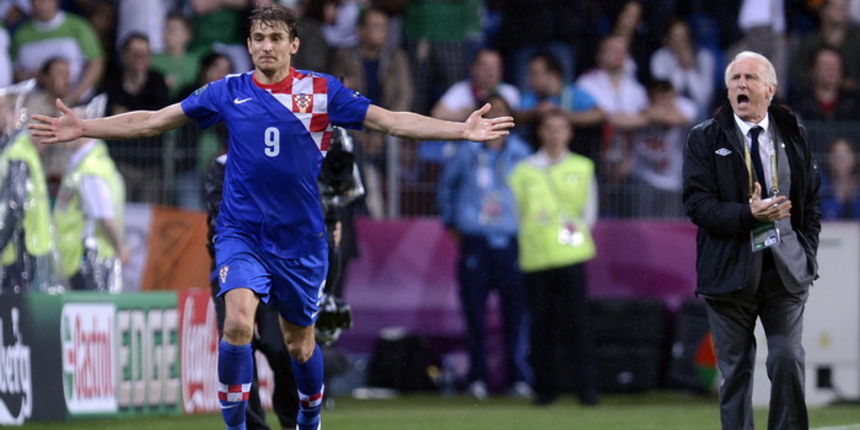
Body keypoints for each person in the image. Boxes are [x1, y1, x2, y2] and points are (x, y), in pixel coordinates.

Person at [29, 5, 513, 430]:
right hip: (242, 234)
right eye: (258, 38)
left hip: (302, 241)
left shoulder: (321, 93)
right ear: (249, 44)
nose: (266, 46)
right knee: (237, 324)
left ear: (294, 44)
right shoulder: (226, 91)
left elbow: (391, 121)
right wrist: (84, 127)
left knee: (299, 345)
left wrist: (459, 130)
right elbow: (154, 119)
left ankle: (309, 415)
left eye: (276, 38)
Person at [682, 51, 821, 430]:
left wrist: (807, 253)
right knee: (736, 374)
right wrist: (749, 215)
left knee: (787, 358)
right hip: (729, 273)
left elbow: (811, 200)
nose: (741, 85)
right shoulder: (704, 139)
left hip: (785, 270)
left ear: (770, 89)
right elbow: (698, 206)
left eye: (751, 78)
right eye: (735, 79)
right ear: (726, 90)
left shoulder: (793, 131)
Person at [436, 94, 532, 399]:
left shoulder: (521, 154)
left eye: (503, 112)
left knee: (515, 315)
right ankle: (477, 377)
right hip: (475, 242)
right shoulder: (465, 152)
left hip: (511, 242)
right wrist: (452, 223)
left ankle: (517, 377)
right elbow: (446, 188)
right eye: (493, 112)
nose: (497, 118)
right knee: (474, 314)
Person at [508, 109, 599, 407]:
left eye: (561, 128)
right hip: (536, 257)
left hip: (572, 256)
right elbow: (516, 213)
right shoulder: (523, 171)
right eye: (550, 128)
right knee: (541, 327)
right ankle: (545, 390)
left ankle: (586, 390)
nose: (555, 134)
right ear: (540, 132)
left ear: (570, 133)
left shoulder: (583, 167)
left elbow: (589, 213)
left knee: (578, 325)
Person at [819, 137, 860, 219]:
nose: (841, 159)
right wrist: (839, 198)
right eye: (836, 155)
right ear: (829, 159)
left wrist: (853, 197)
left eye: (846, 154)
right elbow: (826, 218)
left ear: (854, 158)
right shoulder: (822, 183)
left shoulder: (857, 184)